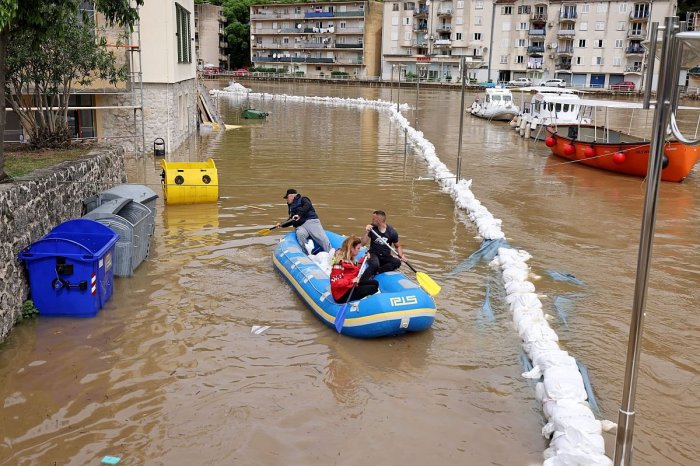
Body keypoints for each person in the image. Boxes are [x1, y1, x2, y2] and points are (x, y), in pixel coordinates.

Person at [278, 188, 331, 253]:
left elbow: (308, 205)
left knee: (321, 238)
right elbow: (291, 220)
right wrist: (282, 225)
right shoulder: (291, 207)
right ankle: (306, 253)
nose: (287, 200)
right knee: (300, 234)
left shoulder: (303, 199)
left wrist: (299, 214)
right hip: (301, 226)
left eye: (287, 198)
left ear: (291, 196)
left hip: (311, 222)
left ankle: (330, 253)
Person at [330, 236, 378, 303]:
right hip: (342, 294)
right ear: (352, 248)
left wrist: (364, 258)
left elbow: (355, 269)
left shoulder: (351, 259)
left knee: (375, 283)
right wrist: (351, 281)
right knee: (371, 288)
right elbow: (335, 283)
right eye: (358, 248)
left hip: (350, 286)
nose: (359, 250)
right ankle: (367, 304)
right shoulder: (339, 264)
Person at [361, 210, 403, 278]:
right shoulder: (372, 228)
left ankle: (377, 272)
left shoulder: (392, 232)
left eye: (373, 219)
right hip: (373, 254)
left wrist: (401, 256)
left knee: (397, 262)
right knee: (375, 264)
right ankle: (363, 279)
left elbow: (398, 246)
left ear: (378, 220)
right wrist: (367, 232)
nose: (372, 220)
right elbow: (362, 243)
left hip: (385, 256)